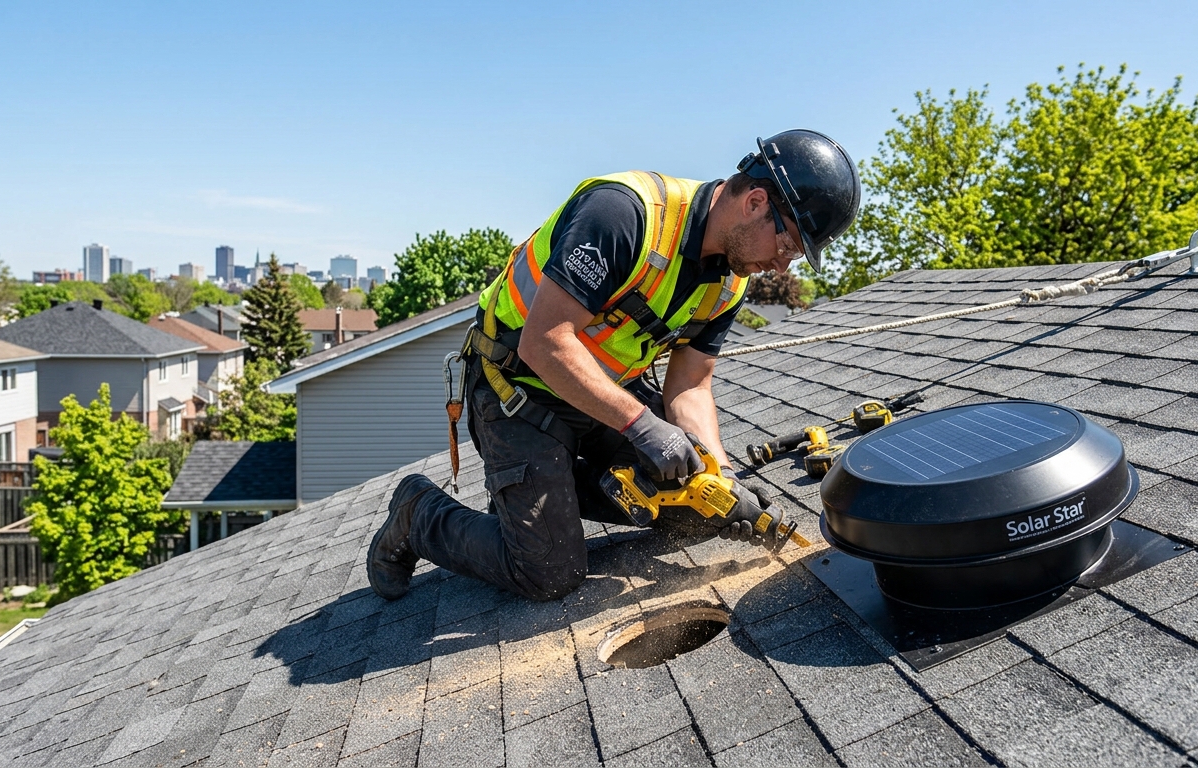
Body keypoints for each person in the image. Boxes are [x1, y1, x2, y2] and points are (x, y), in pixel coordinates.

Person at [367, 129, 861, 602]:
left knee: (693, 509)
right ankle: (419, 514)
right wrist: (642, 424)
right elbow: (545, 343)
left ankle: (535, 495)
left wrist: (721, 475)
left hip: (600, 397)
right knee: (550, 573)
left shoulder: (729, 283)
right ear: (756, 202)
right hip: (516, 390)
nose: (783, 266)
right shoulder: (624, 214)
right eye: (790, 245)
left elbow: (690, 386)